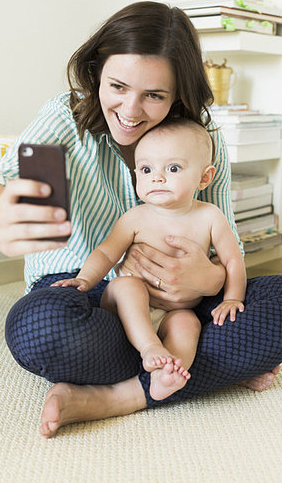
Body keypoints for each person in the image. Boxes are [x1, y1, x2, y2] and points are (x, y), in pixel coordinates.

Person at [0, 1, 282, 439]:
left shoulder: (202, 136)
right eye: (117, 85)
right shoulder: (68, 117)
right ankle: (206, 368)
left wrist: (210, 281)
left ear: (178, 94)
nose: (130, 110)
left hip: (188, 305)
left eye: (154, 95)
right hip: (86, 295)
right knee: (38, 328)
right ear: (98, 70)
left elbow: (225, 244)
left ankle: (118, 396)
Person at [50, 119, 246, 402]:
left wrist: (232, 298)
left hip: (176, 310)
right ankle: (150, 349)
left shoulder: (210, 216)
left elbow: (232, 261)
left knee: (187, 325)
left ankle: (166, 375)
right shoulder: (135, 217)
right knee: (128, 285)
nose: (157, 177)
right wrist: (84, 279)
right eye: (146, 169)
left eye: (173, 168)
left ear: (205, 177)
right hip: (129, 307)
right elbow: (106, 253)